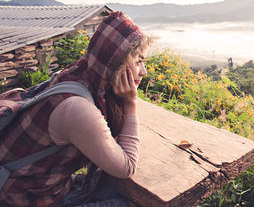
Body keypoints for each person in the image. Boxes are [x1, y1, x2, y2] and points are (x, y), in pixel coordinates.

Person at [0, 11, 153, 206]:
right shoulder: (77, 109)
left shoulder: (77, 74)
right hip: (25, 199)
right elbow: (127, 167)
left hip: (40, 186)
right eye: (139, 61)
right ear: (115, 63)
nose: (144, 71)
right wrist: (131, 103)